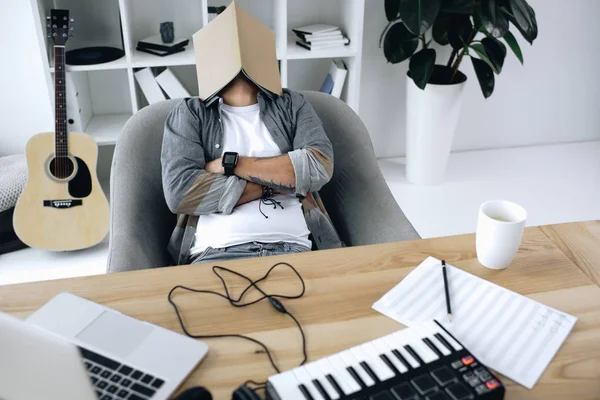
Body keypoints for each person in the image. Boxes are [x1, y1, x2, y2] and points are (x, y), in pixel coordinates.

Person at [161, 73, 343, 265]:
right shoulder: (190, 113)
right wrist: (271, 186)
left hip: (293, 248)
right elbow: (180, 192)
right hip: (214, 254)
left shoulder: (292, 104)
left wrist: (230, 164)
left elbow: (318, 166)